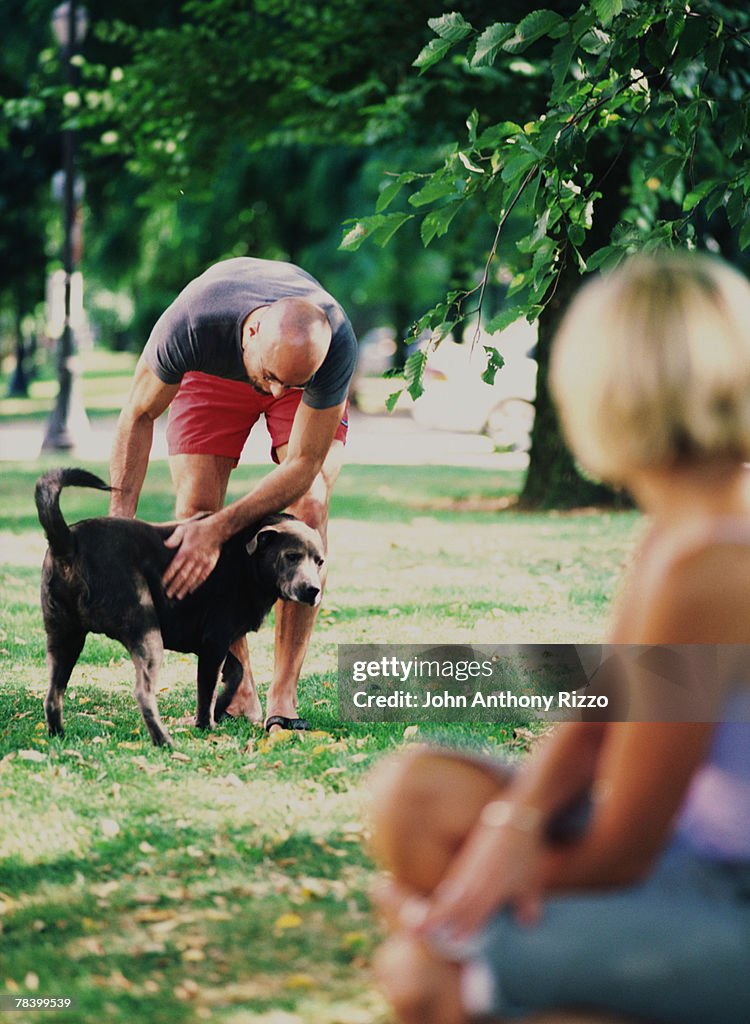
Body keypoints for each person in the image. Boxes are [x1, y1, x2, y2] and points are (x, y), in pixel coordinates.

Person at [369, 252, 750, 1024]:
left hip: (723, 887)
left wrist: (461, 909)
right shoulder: (681, 525)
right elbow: (594, 727)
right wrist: (514, 825)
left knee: (419, 976)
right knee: (414, 796)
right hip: (691, 855)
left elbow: (624, 849)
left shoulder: (712, 565)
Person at [109, 256, 357, 732]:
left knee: (310, 508)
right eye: (273, 377)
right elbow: (137, 414)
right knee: (196, 510)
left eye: (290, 382)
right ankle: (238, 686)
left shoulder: (333, 345)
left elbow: (304, 465)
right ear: (251, 333)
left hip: (300, 368)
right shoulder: (192, 325)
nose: (277, 389)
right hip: (215, 373)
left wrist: (222, 529)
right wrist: (119, 527)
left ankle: (284, 694)